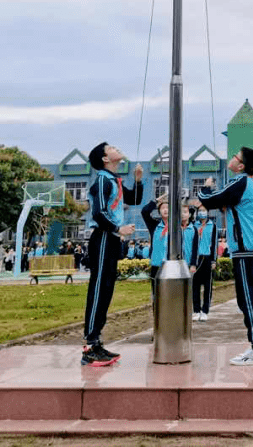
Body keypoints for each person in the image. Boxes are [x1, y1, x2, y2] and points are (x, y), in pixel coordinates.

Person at [198, 146, 253, 366]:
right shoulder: (244, 184)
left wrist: (205, 188)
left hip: (246, 248)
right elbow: (223, 203)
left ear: (241, 166)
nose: (231, 158)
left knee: (249, 298)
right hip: (246, 248)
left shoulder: (241, 182)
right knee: (248, 297)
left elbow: (209, 200)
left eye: (235, 156)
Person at [81, 141, 144, 368]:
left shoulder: (114, 180)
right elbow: (98, 213)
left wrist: (137, 180)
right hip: (104, 237)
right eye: (111, 148)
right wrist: (118, 229)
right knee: (99, 288)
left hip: (112, 239)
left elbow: (134, 199)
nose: (117, 148)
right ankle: (90, 345)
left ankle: (96, 341)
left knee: (106, 288)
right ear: (105, 159)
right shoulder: (101, 181)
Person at [190, 203, 217, 321]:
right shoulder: (193, 225)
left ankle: (205, 310)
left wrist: (214, 260)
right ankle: (196, 310)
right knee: (195, 286)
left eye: (204, 210)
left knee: (207, 286)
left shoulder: (213, 226)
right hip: (196, 258)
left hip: (207, 258)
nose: (202, 212)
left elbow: (214, 243)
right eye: (200, 210)